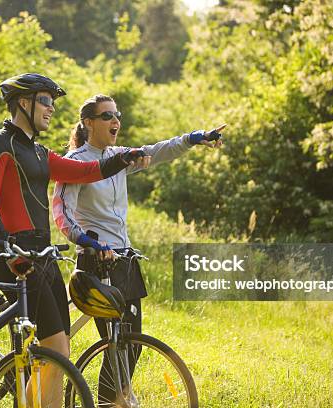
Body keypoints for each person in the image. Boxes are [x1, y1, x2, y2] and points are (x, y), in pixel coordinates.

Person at [0, 76, 145, 406]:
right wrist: (4, 244)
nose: (52, 109)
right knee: (57, 349)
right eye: (45, 101)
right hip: (17, 258)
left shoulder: (39, 152)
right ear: (24, 103)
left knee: (59, 351)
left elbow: (85, 171)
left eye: (53, 103)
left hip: (45, 256)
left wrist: (126, 156)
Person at [52, 94, 224, 404]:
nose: (115, 121)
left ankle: (112, 399)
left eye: (117, 115)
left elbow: (158, 151)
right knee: (116, 346)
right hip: (96, 263)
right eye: (107, 116)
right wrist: (88, 241)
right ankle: (109, 401)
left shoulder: (119, 157)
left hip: (125, 261)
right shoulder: (76, 163)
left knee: (131, 345)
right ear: (88, 123)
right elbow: (62, 214)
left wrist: (194, 138)